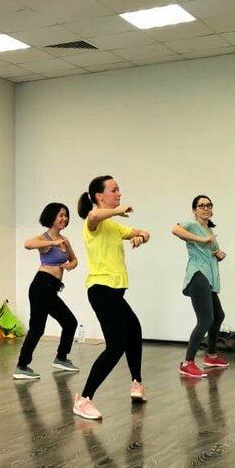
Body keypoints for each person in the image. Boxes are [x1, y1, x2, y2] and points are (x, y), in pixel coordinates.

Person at [73, 176, 150, 421]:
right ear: (99, 196)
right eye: (114, 190)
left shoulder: (115, 227)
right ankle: (84, 399)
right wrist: (118, 210)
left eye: (119, 190)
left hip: (115, 292)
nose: (119, 193)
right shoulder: (93, 223)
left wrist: (140, 237)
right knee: (116, 346)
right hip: (101, 289)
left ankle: (137, 383)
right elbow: (94, 216)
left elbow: (146, 233)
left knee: (134, 330)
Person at [13, 203, 79, 381]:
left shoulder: (64, 240)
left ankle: (61, 358)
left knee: (70, 322)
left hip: (52, 289)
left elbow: (75, 260)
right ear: (52, 217)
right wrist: (52, 242)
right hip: (41, 286)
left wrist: (70, 265)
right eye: (61, 215)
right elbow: (27, 244)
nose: (64, 218)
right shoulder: (44, 238)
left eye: (66, 215)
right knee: (37, 328)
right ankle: (21, 366)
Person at [173, 195, 228, 379]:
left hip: (209, 278)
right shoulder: (192, 224)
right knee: (205, 319)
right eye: (201, 205)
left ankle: (211, 356)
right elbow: (175, 229)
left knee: (218, 316)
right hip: (197, 275)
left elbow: (211, 252)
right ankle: (187, 363)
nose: (206, 208)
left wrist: (219, 254)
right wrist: (200, 240)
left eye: (208, 205)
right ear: (194, 210)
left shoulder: (209, 230)